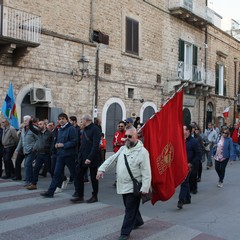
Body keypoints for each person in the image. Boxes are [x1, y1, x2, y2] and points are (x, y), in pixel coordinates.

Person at [96, 127, 151, 240]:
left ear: (137, 137)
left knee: (129, 209)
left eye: (129, 137)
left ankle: (125, 233)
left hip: (133, 186)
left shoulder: (143, 152)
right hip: (122, 184)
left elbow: (146, 171)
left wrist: (145, 187)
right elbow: (111, 159)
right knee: (129, 206)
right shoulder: (122, 149)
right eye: (125, 136)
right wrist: (102, 169)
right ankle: (138, 221)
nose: (126, 138)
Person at [40, 113, 77, 198]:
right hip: (60, 155)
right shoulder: (60, 129)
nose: (61, 120)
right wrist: (56, 145)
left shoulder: (71, 129)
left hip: (69, 155)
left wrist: (63, 145)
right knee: (56, 173)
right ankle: (50, 192)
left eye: (63, 119)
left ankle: (78, 191)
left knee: (74, 174)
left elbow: (74, 142)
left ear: (66, 120)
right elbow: (58, 140)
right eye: (59, 119)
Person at [71, 114, 101, 203]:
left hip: (92, 158)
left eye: (82, 120)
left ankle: (94, 196)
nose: (81, 122)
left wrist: (90, 158)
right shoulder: (84, 129)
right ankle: (80, 196)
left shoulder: (95, 129)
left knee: (93, 178)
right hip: (82, 157)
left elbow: (95, 145)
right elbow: (82, 144)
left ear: (86, 120)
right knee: (79, 176)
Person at [177, 124, 201, 209]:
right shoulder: (179, 140)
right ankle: (188, 198)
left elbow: (198, 155)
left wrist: (191, 163)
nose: (182, 131)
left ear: (188, 131)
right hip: (180, 165)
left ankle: (181, 200)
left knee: (184, 181)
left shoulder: (194, 141)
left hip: (189, 165)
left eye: (184, 129)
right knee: (185, 182)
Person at [26, 119, 53, 190]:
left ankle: (56, 183)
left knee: (50, 170)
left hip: (47, 154)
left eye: (41, 124)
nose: (39, 125)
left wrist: (52, 153)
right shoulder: (38, 132)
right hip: (39, 154)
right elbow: (31, 128)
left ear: (44, 125)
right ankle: (34, 184)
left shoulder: (49, 133)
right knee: (36, 169)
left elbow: (52, 144)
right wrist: (30, 122)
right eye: (38, 124)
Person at [16, 115, 38, 186]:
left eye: (26, 120)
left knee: (27, 164)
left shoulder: (34, 129)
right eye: (24, 120)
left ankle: (28, 181)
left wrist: (34, 147)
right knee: (28, 165)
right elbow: (21, 140)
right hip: (25, 150)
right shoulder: (23, 129)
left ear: (30, 121)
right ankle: (30, 179)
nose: (24, 122)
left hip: (32, 150)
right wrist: (17, 150)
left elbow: (39, 139)